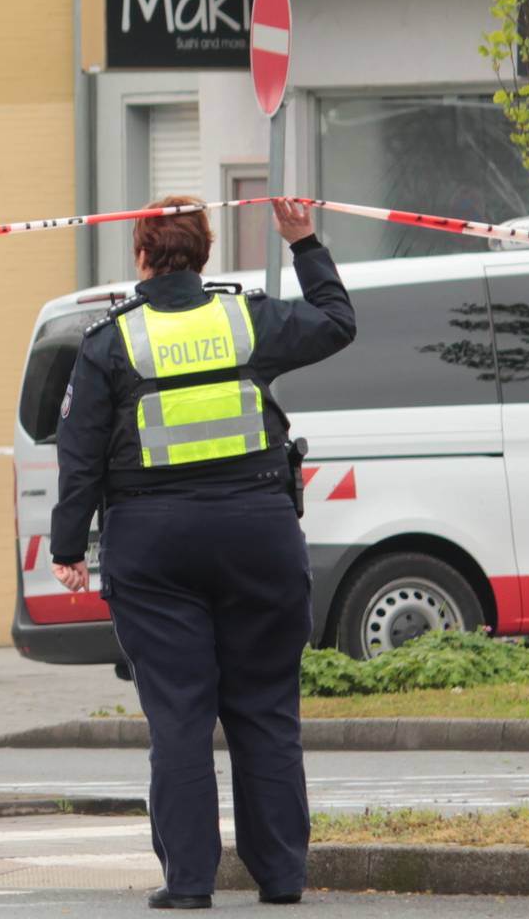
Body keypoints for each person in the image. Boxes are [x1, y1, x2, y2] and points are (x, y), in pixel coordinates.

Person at [48, 196, 355, 910]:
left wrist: (68, 546)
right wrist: (303, 241)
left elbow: (80, 454)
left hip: (154, 547)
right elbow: (338, 323)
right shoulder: (245, 318)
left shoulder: (110, 342)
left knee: (181, 717)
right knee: (266, 709)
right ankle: (280, 876)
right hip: (258, 532)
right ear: (205, 254)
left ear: (143, 256)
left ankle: (189, 884)